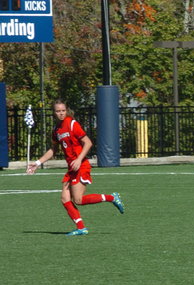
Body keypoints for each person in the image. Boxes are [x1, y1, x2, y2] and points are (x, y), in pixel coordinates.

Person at [26, 100, 124, 235]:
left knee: (78, 200)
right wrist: (37, 163)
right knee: (65, 199)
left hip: (81, 165)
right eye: (58, 111)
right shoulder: (56, 130)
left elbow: (88, 143)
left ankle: (112, 197)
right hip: (72, 168)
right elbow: (53, 150)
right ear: (54, 113)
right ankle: (81, 228)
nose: (61, 113)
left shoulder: (72, 124)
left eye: (63, 110)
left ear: (66, 110)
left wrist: (78, 159)